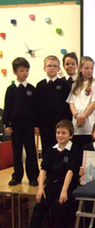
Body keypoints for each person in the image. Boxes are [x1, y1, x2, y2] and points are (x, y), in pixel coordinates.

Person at [29, 119, 82, 228]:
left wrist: (64, 191)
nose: (60, 135)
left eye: (63, 133)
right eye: (58, 133)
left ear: (71, 135)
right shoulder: (51, 150)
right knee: (39, 206)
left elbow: (70, 171)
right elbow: (44, 169)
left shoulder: (75, 149)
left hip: (68, 185)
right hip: (54, 183)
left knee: (62, 207)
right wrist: (40, 189)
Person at [3, 57, 39, 186]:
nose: (25, 73)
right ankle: (17, 176)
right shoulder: (11, 90)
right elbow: (7, 107)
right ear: (15, 72)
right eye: (22, 70)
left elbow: (35, 109)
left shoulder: (31, 89)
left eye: (27, 70)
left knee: (31, 152)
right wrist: (7, 124)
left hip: (28, 125)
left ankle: (33, 177)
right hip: (16, 126)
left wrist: (36, 125)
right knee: (17, 152)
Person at [36, 55, 71, 157]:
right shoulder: (40, 85)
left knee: (61, 147)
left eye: (55, 66)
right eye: (49, 66)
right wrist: (37, 124)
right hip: (45, 123)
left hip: (60, 122)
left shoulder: (64, 85)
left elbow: (67, 105)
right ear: (44, 68)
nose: (52, 68)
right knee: (47, 147)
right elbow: (36, 106)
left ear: (59, 69)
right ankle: (47, 170)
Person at [66, 56, 95, 148]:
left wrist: (83, 117)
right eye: (86, 68)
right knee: (77, 150)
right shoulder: (75, 85)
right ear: (80, 68)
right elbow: (71, 103)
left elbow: (94, 103)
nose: (89, 71)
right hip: (77, 124)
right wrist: (77, 116)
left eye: (91, 68)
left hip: (89, 122)